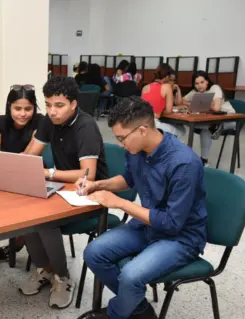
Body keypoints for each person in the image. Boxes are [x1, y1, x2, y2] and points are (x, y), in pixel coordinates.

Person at [78, 96, 207, 319]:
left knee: (130, 275)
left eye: (122, 138)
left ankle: (116, 314)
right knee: (93, 253)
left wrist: (120, 203)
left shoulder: (184, 163)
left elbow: (172, 223)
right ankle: (137, 307)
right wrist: (97, 184)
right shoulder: (136, 150)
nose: (121, 145)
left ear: (143, 130)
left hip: (181, 237)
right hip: (148, 225)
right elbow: (129, 179)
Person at [20, 76, 109, 309]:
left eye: (59, 105)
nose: (52, 111)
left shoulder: (86, 126)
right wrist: (14, 166)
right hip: (62, 189)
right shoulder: (48, 121)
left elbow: (87, 175)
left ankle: (62, 277)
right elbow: (30, 153)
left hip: (89, 195)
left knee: (45, 220)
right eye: (48, 104)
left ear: (73, 104)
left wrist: (48, 173)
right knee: (22, 213)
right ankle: (45, 269)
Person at [0, 84, 44, 261]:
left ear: (34, 108)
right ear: (9, 107)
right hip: (5, 177)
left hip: (31, 175)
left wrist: (10, 161)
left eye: (28, 109)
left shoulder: (40, 121)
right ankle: (20, 239)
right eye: (17, 108)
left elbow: (29, 155)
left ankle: (20, 241)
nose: (22, 113)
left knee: (26, 207)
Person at [181, 71, 236, 166]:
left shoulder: (215, 88)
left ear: (207, 81)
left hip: (230, 118)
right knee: (205, 130)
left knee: (208, 126)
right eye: (196, 83)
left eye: (202, 82)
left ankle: (218, 127)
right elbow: (182, 100)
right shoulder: (196, 91)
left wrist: (200, 104)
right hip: (212, 120)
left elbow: (216, 108)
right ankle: (204, 160)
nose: (199, 86)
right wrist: (193, 103)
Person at [141, 63, 185, 137]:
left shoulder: (145, 88)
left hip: (141, 122)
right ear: (167, 76)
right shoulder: (167, 87)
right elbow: (168, 111)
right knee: (182, 130)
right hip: (154, 124)